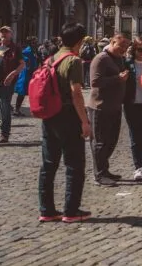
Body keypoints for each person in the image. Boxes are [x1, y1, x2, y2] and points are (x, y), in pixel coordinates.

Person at [38, 22, 93, 223]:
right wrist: (85, 121)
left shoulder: (51, 58)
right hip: (68, 116)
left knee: (48, 164)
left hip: (49, 115)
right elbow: (76, 93)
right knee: (74, 164)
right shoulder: (73, 61)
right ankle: (71, 210)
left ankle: (47, 210)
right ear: (79, 42)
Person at [88, 33, 130, 186]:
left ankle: (104, 169)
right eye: (121, 45)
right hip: (100, 107)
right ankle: (99, 174)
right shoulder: (101, 58)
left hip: (115, 106)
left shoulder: (119, 59)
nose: (124, 49)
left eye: (126, 46)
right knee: (100, 142)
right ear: (112, 42)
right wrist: (117, 78)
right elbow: (95, 81)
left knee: (111, 141)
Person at [123, 38, 142, 182]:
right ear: (134, 50)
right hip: (132, 104)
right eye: (140, 49)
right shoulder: (127, 64)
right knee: (135, 137)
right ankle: (138, 167)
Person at [14, 37, 38, 116]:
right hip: (25, 75)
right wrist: (26, 64)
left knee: (30, 92)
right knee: (22, 92)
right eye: (34, 42)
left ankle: (32, 109)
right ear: (30, 43)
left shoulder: (34, 50)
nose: (36, 44)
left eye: (36, 42)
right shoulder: (26, 51)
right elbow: (20, 59)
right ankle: (16, 110)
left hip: (31, 74)